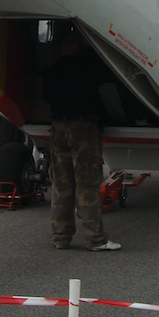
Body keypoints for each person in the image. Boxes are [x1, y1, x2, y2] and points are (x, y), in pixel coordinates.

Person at [43, 33, 119, 251]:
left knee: (61, 186)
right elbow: (104, 93)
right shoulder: (88, 69)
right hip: (83, 129)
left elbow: (48, 98)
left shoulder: (51, 71)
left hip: (58, 128)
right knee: (87, 184)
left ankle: (61, 237)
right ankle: (96, 239)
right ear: (72, 45)